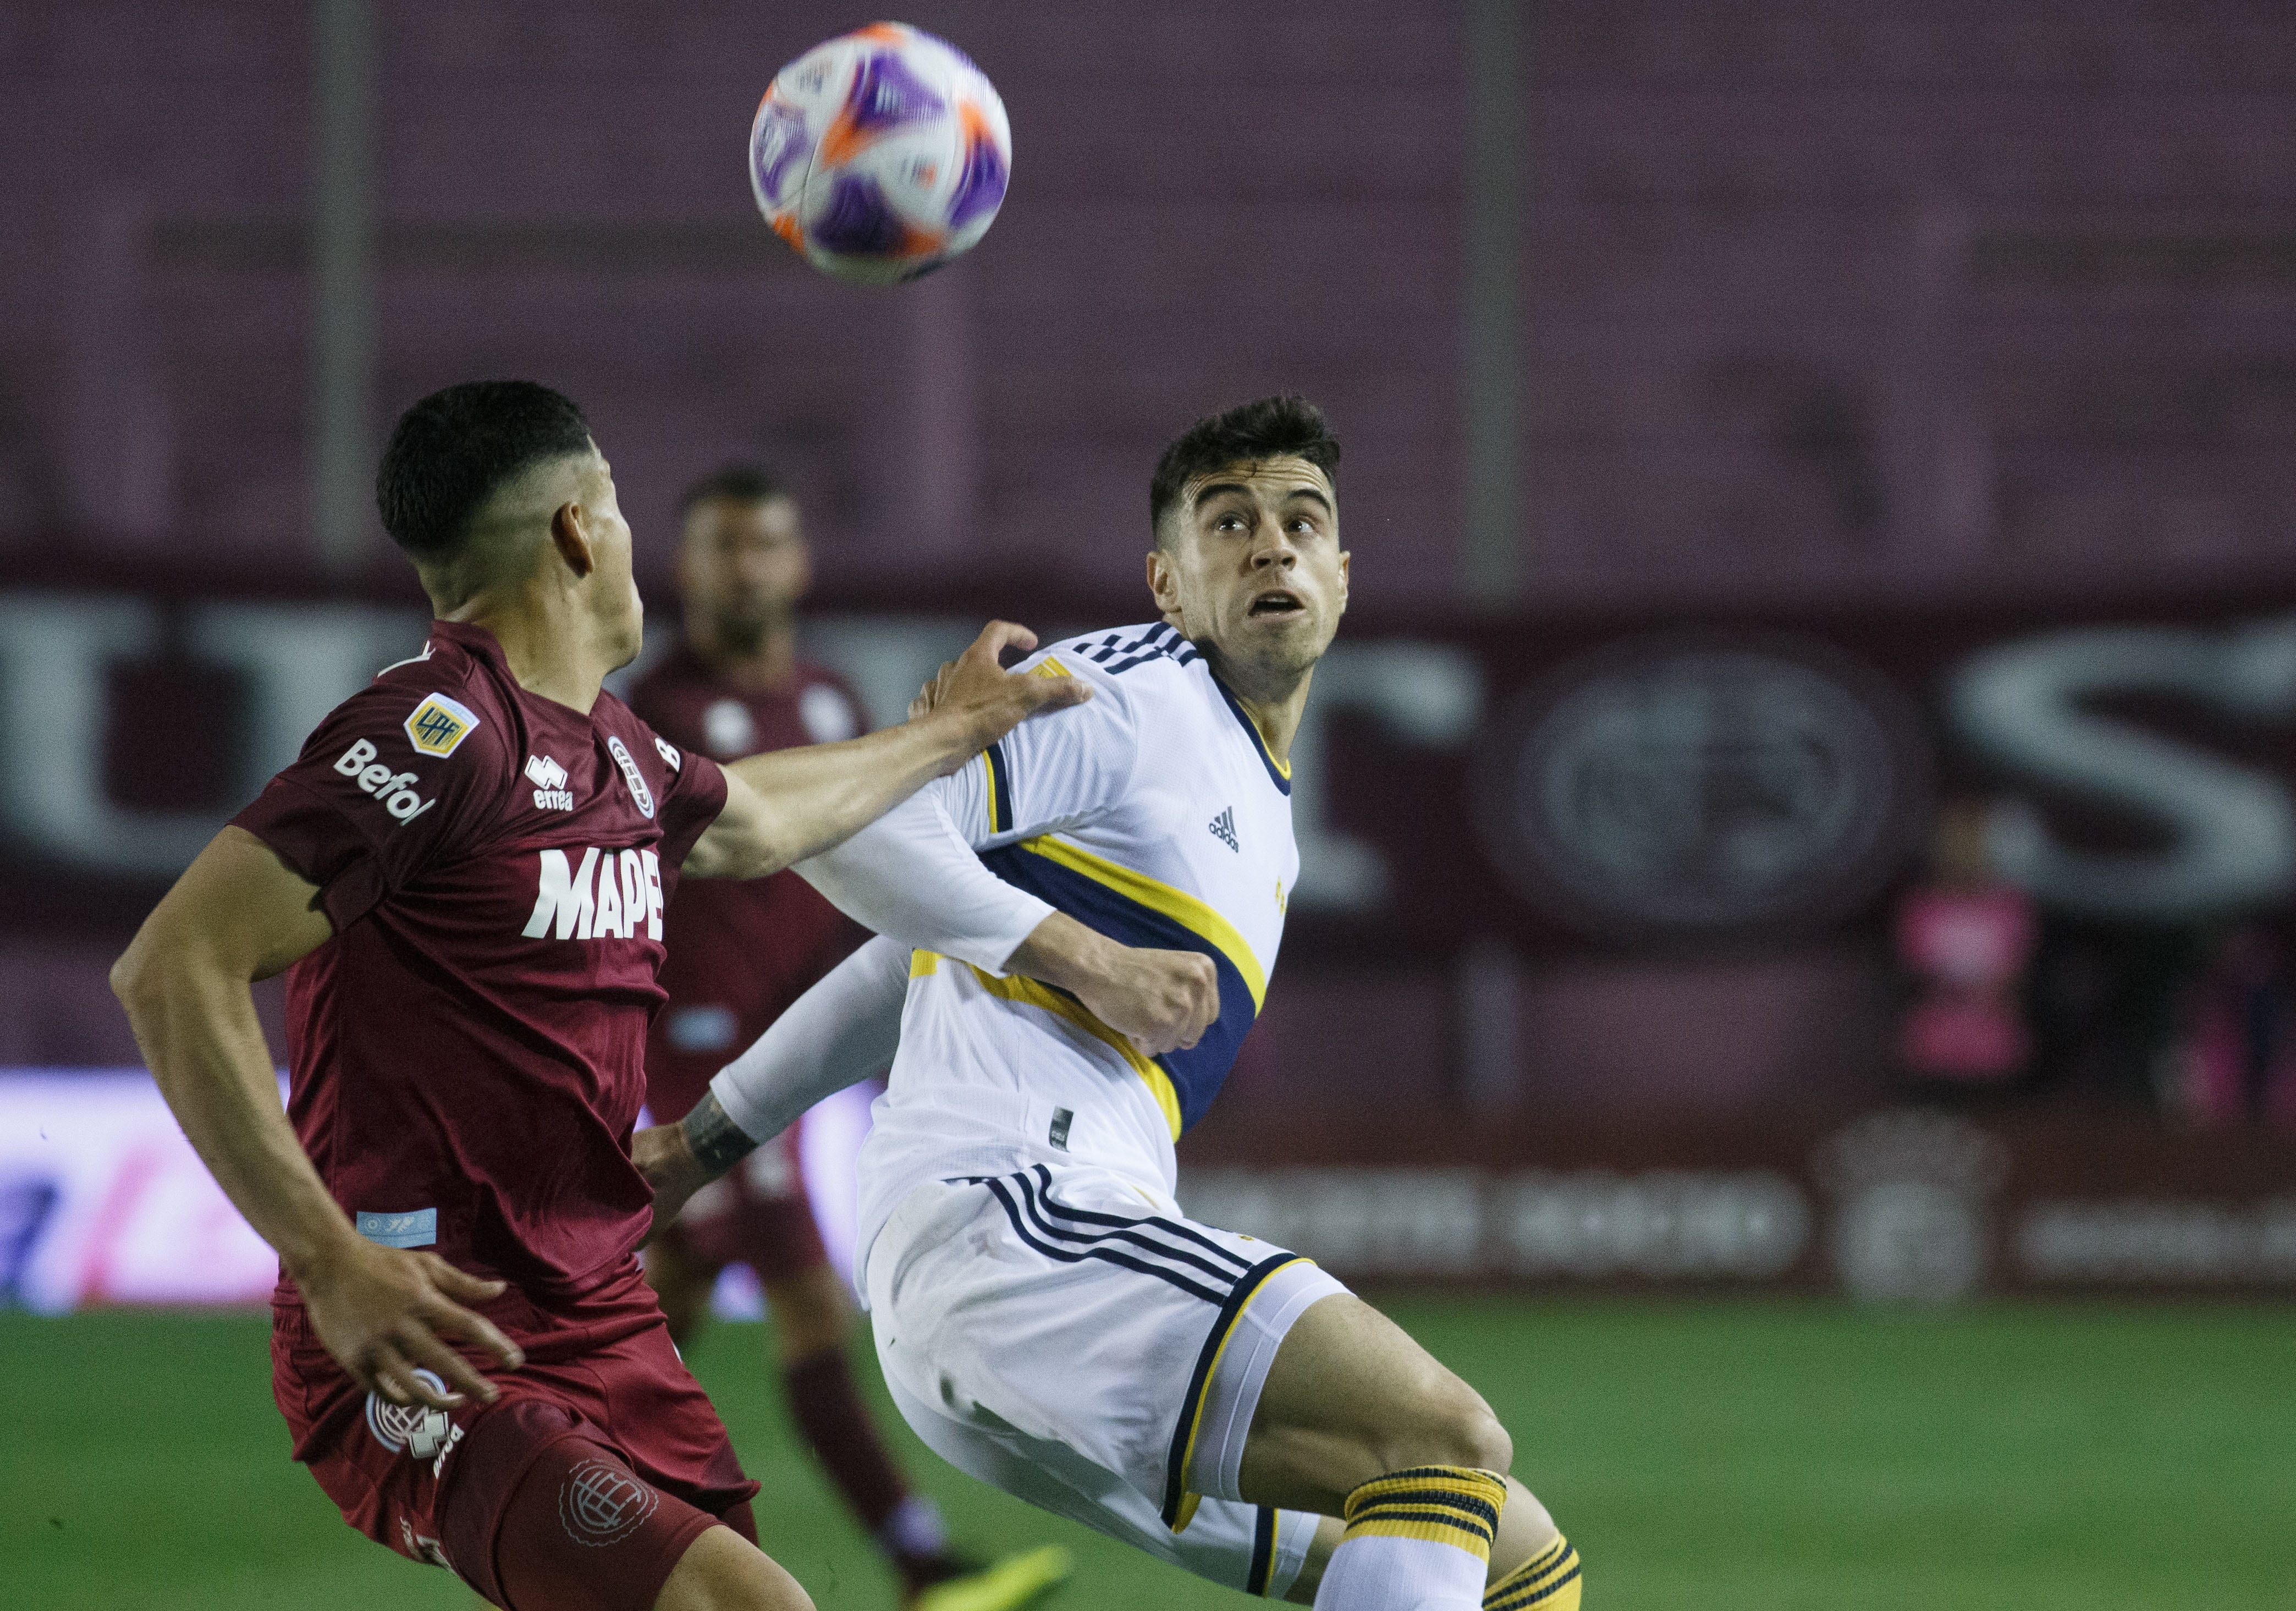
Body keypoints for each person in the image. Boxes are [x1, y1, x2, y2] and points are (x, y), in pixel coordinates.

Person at [108, 381, 1093, 1611]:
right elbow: (172, 963)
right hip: (435, 1335)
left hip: (597, 1312)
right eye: (620, 506)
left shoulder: (614, 749)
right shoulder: (438, 737)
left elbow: (768, 815)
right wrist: (326, 1259)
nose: (634, 540)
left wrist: (958, 731)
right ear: (579, 529)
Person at [638, 397, 1584, 1610]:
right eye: (1228, 523)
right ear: (1169, 584)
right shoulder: (1129, 695)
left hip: (1009, 1281)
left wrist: (704, 1139)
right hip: (1012, 1220)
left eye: (1303, 522)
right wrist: (1087, 956)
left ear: (1342, 577)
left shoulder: (1254, 800)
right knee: (1442, 1435)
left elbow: (909, 954)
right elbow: (853, 826)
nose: (1271, 545)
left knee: (1516, 1562)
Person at [629, 465, 1066, 1608]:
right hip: (703, 1056)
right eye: (724, 547)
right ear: (686, 568)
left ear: (801, 563)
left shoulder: (829, 700)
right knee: (809, 1302)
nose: (747, 568)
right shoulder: (655, 713)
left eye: (766, 544)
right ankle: (923, 1567)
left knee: (656, 1305)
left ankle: (567, 1490)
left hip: (799, 1043)